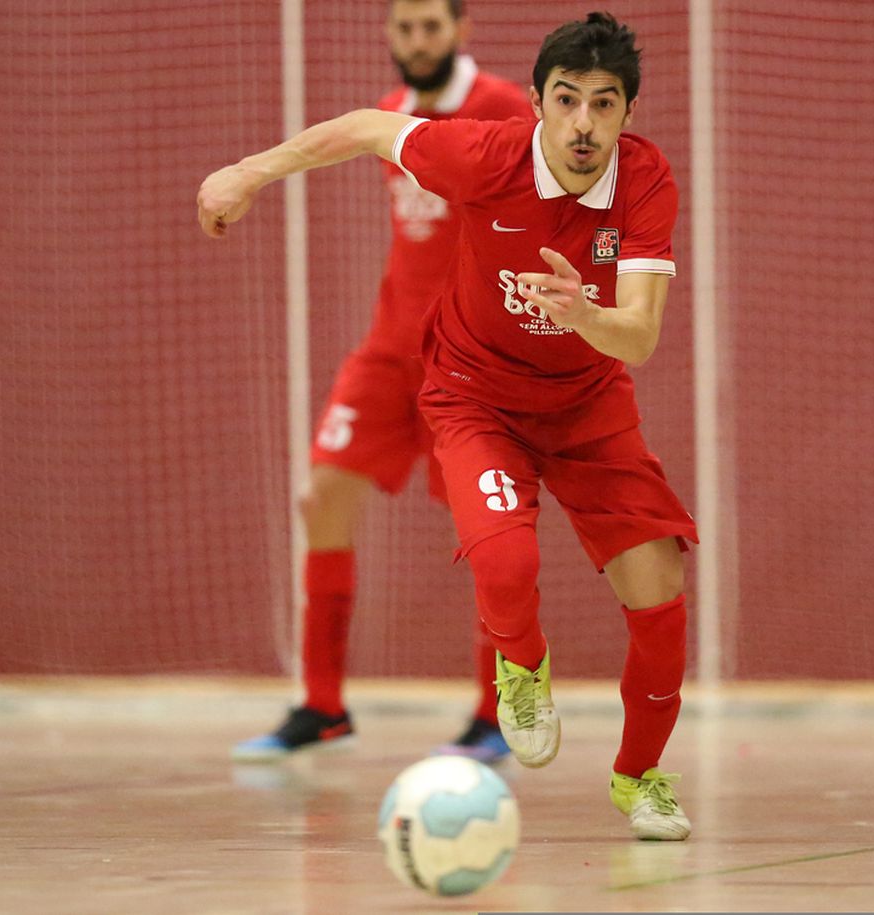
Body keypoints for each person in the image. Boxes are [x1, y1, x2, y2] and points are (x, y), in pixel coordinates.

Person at [201, 11, 697, 841]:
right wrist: (251, 171)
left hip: (587, 406)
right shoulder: (486, 153)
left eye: (604, 105)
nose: (583, 122)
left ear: (627, 114)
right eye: (567, 100)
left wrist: (583, 312)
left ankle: (639, 775)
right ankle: (521, 667)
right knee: (504, 561)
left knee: (659, 592)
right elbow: (364, 128)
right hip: (475, 397)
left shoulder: (646, 181)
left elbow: (639, 335)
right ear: (538, 102)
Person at [230, 0, 532, 764]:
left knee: (486, 529)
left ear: (462, 30)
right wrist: (250, 173)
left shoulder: (502, 107)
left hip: (467, 359)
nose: (417, 41)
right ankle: (322, 705)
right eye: (404, 28)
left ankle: (495, 715)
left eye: (432, 26)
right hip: (388, 347)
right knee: (323, 491)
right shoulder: (391, 113)